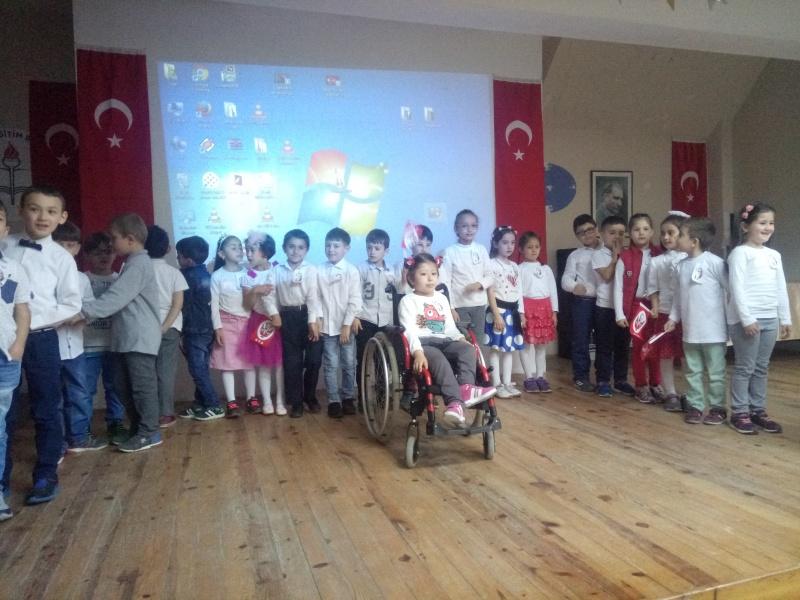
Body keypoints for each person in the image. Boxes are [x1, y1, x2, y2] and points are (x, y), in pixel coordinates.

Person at [2, 186, 81, 505]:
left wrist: (30, 321)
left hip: (40, 338)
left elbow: (71, 303)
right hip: (3, 339)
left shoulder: (62, 258)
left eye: (51, 211)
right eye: (35, 209)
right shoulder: (4, 245)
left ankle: (46, 474)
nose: (42, 217)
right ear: (21, 210)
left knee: (47, 406)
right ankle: (2, 478)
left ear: (62, 217)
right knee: (4, 410)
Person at [80, 213, 163, 452]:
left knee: (142, 387)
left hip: (139, 338)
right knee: (122, 385)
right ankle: (138, 428)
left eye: (114, 238)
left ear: (130, 239)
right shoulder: (132, 263)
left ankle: (149, 432)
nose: (112, 243)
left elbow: (116, 298)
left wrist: (83, 312)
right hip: (127, 338)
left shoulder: (139, 264)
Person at [398, 253, 496, 426]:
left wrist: (460, 338)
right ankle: (454, 403)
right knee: (437, 357)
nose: (430, 278)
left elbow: (450, 327)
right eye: (423, 274)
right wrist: (418, 352)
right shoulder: (407, 301)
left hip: (445, 340)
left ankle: (466, 388)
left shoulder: (441, 298)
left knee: (468, 349)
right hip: (423, 343)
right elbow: (409, 332)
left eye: (433, 274)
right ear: (411, 279)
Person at [726, 202, 792, 434]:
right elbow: (736, 288)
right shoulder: (740, 253)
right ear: (746, 226)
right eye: (762, 223)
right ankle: (739, 412)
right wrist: (746, 318)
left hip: (770, 318)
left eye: (771, 223)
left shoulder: (774, 255)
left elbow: (780, 287)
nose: (768, 227)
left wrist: (785, 318)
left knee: (762, 367)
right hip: (747, 320)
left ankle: (757, 410)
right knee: (745, 366)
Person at [665, 218, 728, 426]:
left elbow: (730, 291)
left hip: (714, 332)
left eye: (681, 235)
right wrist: (673, 318)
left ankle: (717, 407)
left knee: (716, 372)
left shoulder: (715, 263)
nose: (677, 239)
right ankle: (695, 405)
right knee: (692, 371)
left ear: (694, 241)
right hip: (690, 332)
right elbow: (678, 297)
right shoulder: (680, 266)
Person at [53, 222, 108, 453]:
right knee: (53, 396)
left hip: (76, 346)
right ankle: (57, 442)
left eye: (71, 245)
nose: (66, 250)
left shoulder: (81, 279)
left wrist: (79, 318)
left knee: (79, 392)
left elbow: (90, 308)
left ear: (77, 248)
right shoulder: (42, 276)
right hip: (50, 346)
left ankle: (78, 437)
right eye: (61, 245)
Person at [0, 200, 30, 520]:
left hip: (6, 355)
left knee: (0, 426)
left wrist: (19, 343)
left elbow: (22, 309)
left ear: (6, 229)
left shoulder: (13, 267)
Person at [273, 229, 322, 418]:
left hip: (309, 316)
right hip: (287, 317)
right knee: (292, 363)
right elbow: (271, 296)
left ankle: (310, 396)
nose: (296, 251)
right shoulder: (277, 270)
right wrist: (274, 314)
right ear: (284, 248)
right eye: (291, 246)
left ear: (306, 250)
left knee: (314, 360)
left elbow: (313, 297)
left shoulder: (311, 269)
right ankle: (296, 402)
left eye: (301, 247)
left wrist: (312, 321)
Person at [614, 213, 662, 403]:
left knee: (656, 346)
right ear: (629, 233)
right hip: (637, 306)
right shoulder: (625, 257)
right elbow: (618, 287)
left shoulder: (660, 254)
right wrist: (619, 313)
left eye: (645, 229)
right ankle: (641, 385)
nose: (641, 233)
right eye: (636, 229)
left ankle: (656, 383)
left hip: (658, 305)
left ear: (652, 232)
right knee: (640, 347)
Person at [175, 236, 224, 421]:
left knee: (197, 369)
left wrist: (181, 331)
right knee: (201, 368)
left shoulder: (186, 277)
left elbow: (184, 306)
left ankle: (213, 405)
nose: (177, 259)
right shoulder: (207, 275)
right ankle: (200, 403)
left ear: (188, 259)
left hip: (194, 330)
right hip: (208, 329)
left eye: (179, 256)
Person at [145, 225, 188, 428]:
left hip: (144, 327)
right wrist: (165, 327)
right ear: (168, 249)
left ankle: (148, 414)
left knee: (146, 372)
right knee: (166, 372)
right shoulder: (174, 273)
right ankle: (166, 414)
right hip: (170, 328)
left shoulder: (136, 270)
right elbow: (177, 304)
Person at [646, 212, 689, 412]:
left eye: (671, 232)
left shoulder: (689, 258)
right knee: (666, 354)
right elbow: (653, 288)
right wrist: (655, 306)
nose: (665, 237)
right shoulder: (656, 261)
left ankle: (690, 393)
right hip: (664, 312)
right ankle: (670, 392)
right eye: (663, 233)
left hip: (687, 314)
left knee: (688, 355)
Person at [210, 235, 256, 418]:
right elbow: (214, 305)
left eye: (240, 247)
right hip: (226, 323)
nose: (239, 250)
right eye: (233, 247)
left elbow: (255, 297)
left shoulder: (249, 272)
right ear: (222, 254)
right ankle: (231, 401)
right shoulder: (217, 276)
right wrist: (218, 328)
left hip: (247, 323)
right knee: (227, 363)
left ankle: (251, 398)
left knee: (249, 363)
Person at [317, 227, 361, 418]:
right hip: (327, 328)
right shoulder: (319, 270)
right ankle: (334, 401)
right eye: (328, 245)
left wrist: (346, 325)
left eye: (336, 246)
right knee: (330, 365)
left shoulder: (351, 271)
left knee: (349, 364)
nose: (331, 249)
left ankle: (348, 397)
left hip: (346, 328)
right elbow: (316, 298)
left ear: (346, 248)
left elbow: (355, 299)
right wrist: (318, 319)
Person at [241, 231, 285, 416]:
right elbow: (247, 305)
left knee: (280, 365)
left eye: (253, 250)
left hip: (280, 321)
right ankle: (267, 401)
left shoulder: (278, 269)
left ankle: (280, 401)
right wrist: (255, 291)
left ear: (265, 252)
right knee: (264, 364)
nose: (249, 254)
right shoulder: (248, 275)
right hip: (260, 322)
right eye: (247, 250)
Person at [592, 216, 634, 398]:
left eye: (621, 233)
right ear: (602, 234)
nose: (617, 237)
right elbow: (607, 276)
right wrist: (616, 257)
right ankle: (602, 381)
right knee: (604, 347)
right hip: (604, 308)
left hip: (623, 309)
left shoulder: (629, 254)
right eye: (612, 233)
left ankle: (620, 380)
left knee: (623, 346)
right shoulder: (598, 255)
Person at [353, 228, 396, 401]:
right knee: (364, 359)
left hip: (385, 321)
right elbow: (355, 294)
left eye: (377, 248)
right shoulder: (360, 269)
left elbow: (399, 292)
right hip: (366, 319)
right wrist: (356, 316)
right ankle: (363, 397)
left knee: (383, 359)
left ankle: (382, 395)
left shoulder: (392, 270)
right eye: (369, 248)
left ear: (386, 251)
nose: (372, 252)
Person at [561, 214, 602, 392]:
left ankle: (603, 377)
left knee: (604, 340)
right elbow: (566, 279)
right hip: (582, 302)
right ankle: (581, 377)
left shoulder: (606, 251)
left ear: (596, 229)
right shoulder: (575, 255)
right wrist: (574, 286)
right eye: (581, 232)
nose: (587, 234)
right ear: (577, 236)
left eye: (590, 230)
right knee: (580, 340)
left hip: (603, 302)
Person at [484, 226, 525, 398]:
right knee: (496, 348)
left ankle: (507, 382)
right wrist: (496, 315)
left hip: (512, 313)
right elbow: (490, 292)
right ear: (495, 243)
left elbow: (519, 292)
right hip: (498, 312)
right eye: (505, 242)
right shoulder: (491, 264)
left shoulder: (515, 266)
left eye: (512, 243)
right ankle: (496, 384)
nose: (509, 246)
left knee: (509, 349)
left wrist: (521, 313)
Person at [518, 231, 558, 394]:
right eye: (529, 247)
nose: (534, 250)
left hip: (544, 309)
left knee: (541, 346)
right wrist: (521, 313)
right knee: (526, 345)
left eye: (536, 247)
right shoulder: (519, 269)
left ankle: (540, 376)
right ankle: (529, 377)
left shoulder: (546, 269)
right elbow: (518, 293)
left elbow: (553, 291)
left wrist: (554, 311)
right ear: (521, 249)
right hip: (528, 309)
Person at [441, 209, 492, 332]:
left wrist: (479, 284)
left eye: (473, 226)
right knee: (464, 338)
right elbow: (445, 282)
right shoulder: (449, 252)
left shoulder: (481, 249)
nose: (469, 230)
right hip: (460, 306)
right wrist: (451, 308)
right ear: (456, 228)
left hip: (480, 305)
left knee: (478, 339)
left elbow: (490, 276)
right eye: (464, 226)